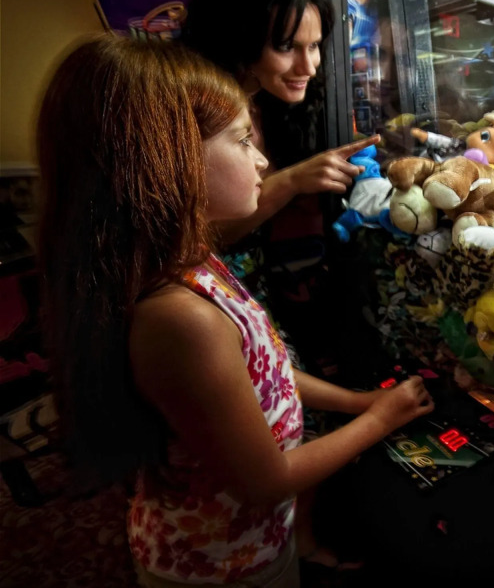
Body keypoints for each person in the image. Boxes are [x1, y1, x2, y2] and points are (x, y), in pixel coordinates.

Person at [36, 35, 434, 587]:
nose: (262, 159)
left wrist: (356, 401)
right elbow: (267, 482)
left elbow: (262, 369)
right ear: (166, 161)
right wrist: (378, 420)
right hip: (220, 565)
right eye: (243, 141)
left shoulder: (194, 259)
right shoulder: (180, 319)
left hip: (258, 541)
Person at [182, 0, 379, 381]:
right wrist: (292, 182)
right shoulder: (198, 113)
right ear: (239, 36)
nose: (308, 66)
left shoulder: (274, 103)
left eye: (315, 46)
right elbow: (196, 239)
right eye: (286, 46)